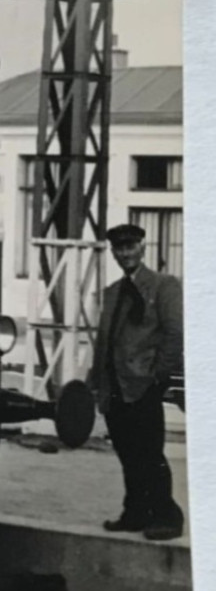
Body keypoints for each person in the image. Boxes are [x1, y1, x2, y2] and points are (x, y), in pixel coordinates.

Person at [90, 222, 184, 541]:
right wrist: (97, 385)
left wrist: (159, 376)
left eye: (131, 246)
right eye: (119, 248)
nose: (125, 253)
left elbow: (175, 334)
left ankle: (167, 516)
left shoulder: (163, 286)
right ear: (114, 252)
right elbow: (104, 342)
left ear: (143, 247)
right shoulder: (112, 292)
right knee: (128, 453)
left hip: (143, 385)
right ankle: (135, 513)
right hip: (115, 388)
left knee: (150, 453)